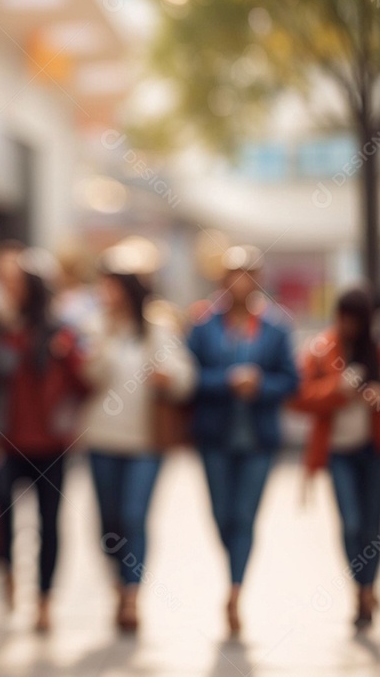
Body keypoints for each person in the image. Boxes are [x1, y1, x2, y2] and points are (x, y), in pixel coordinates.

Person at [80, 243, 196, 632]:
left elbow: (185, 377)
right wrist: (106, 343)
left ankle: (132, 595)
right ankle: (118, 581)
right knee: (108, 522)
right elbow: (89, 378)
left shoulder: (158, 328)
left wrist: (170, 378)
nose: (104, 293)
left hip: (146, 441)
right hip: (102, 439)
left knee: (134, 516)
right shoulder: (94, 326)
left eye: (110, 286)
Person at [0, 245, 89, 632]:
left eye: (17, 282)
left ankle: (44, 599)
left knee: (49, 523)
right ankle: (7, 572)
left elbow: (81, 382)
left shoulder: (59, 330)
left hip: (52, 443)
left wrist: (68, 355)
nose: (9, 287)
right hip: (5, 439)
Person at [186, 245, 299, 635]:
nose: (241, 282)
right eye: (234, 274)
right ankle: (231, 567)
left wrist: (261, 384)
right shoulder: (204, 326)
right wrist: (227, 380)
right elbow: (191, 378)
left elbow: (291, 380)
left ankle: (236, 589)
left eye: (248, 275)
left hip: (258, 439)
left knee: (245, 516)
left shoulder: (276, 326)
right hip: (215, 436)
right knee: (221, 514)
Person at [291, 286, 380, 628]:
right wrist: (338, 389)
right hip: (337, 452)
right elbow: (299, 396)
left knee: (371, 527)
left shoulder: (375, 350)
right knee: (351, 523)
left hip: (372, 450)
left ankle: (367, 587)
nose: (348, 325)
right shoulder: (321, 349)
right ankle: (359, 588)